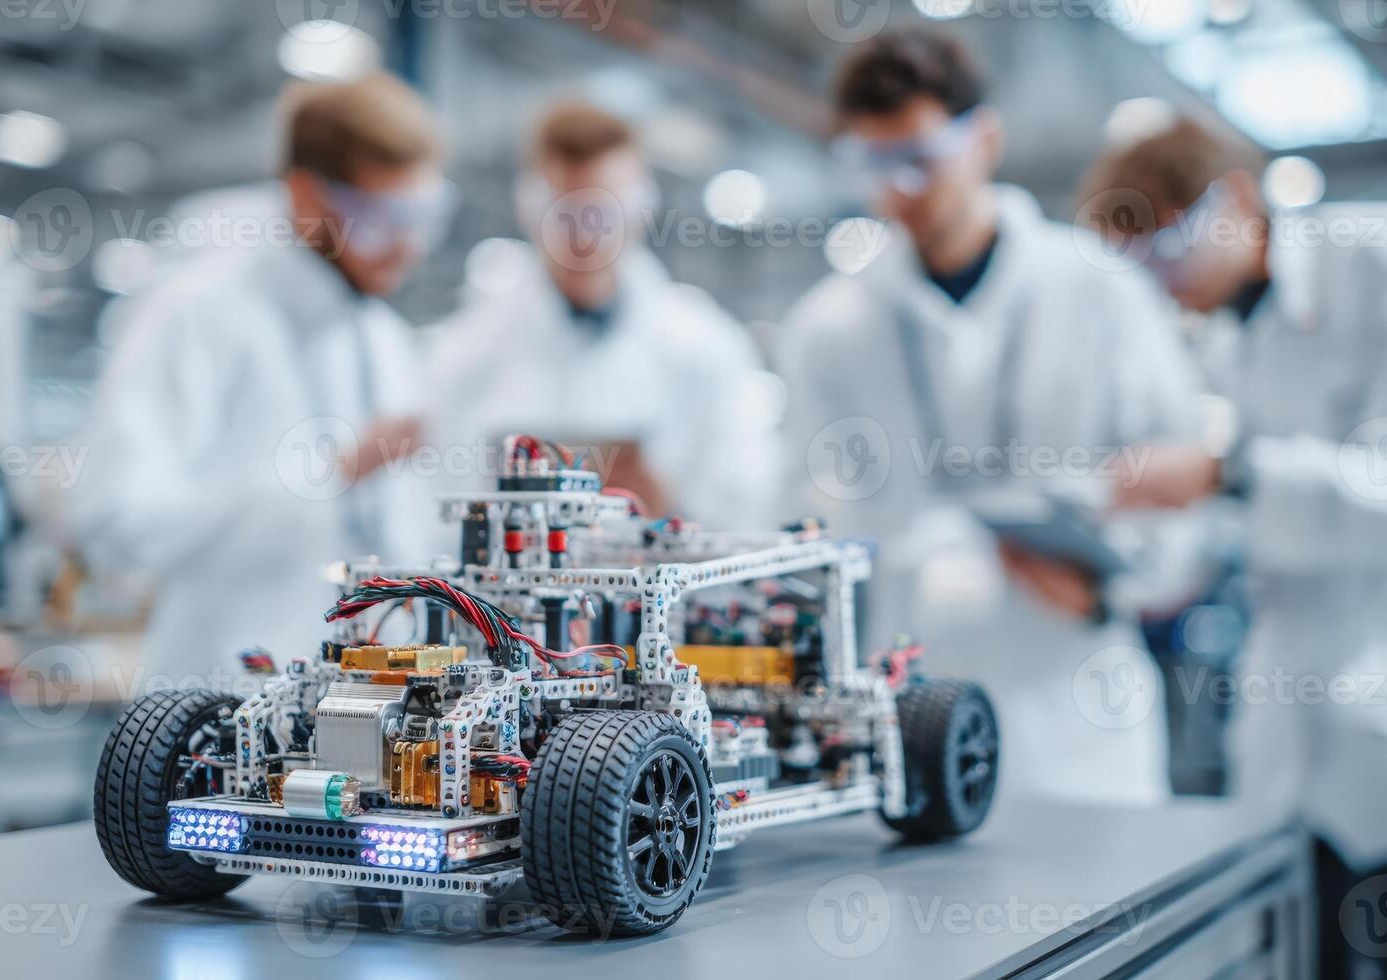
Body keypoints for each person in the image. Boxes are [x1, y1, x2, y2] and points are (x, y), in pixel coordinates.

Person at [781, 32, 1205, 805]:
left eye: (919, 156)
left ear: (984, 139)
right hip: (906, 711)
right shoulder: (829, 328)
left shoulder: (1099, 290)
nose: (899, 189)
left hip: (1077, 711)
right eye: (871, 165)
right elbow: (800, 523)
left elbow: (1181, 477)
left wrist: (1113, 590)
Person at [1081, 117, 1387, 976]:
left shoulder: (1371, 263)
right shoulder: (1220, 342)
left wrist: (1231, 473)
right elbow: (1227, 533)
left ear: (1241, 198)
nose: (1164, 280)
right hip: (1296, 727)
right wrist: (1120, 565)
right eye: (1140, 262)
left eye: (1171, 242)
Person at [70, 73, 454, 686]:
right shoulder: (200, 313)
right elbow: (112, 521)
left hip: (370, 721)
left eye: (423, 215)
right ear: (305, 193)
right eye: (380, 217)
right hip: (224, 715)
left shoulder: (382, 336)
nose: (407, 246)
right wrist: (329, 473)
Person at [425, 101, 779, 532]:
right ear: (530, 208)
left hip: (658, 593)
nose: (586, 238)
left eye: (604, 213)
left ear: (641, 209)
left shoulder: (706, 346)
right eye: (567, 214)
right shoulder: (466, 351)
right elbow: (432, 511)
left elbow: (748, 502)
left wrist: (670, 512)